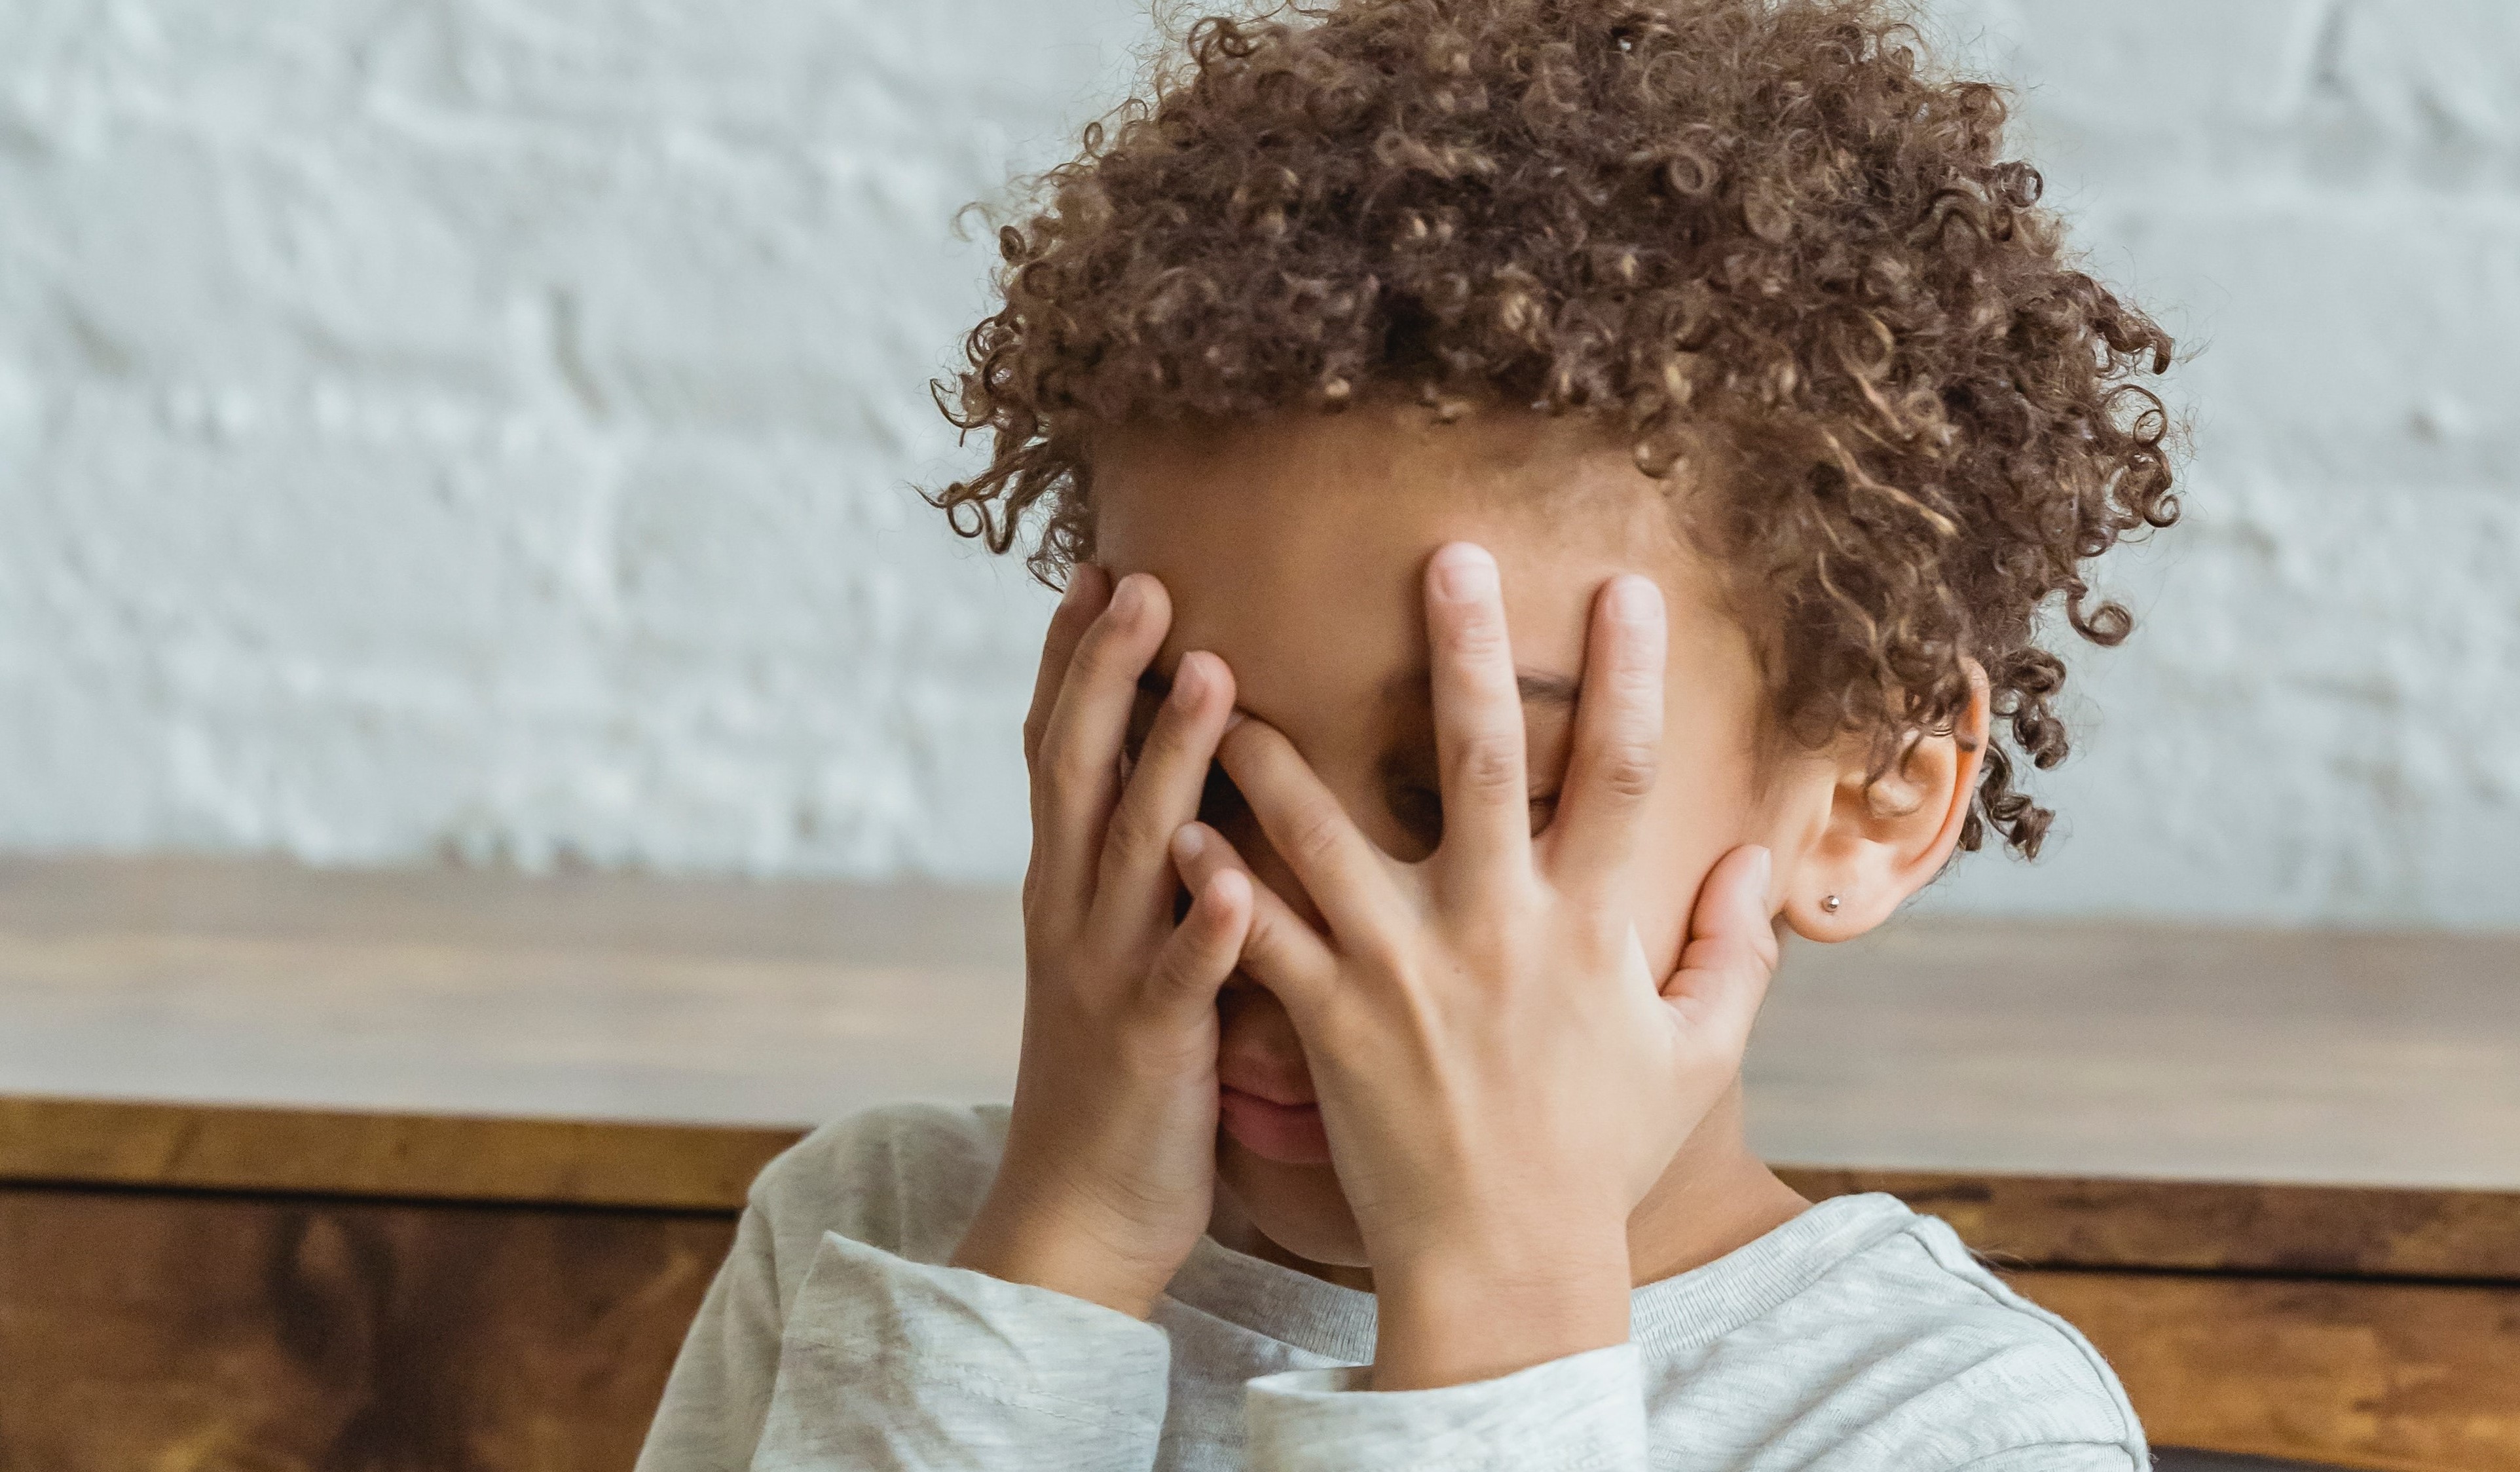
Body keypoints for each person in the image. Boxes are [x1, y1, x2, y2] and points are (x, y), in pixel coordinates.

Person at [638, 1, 2181, 1467]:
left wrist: (1502, 1299)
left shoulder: (1952, 1424)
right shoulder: (888, 1238)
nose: (1260, 917)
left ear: (1875, 794)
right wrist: (1062, 1246)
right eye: (1184, 747)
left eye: (1455, 794)